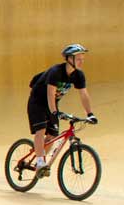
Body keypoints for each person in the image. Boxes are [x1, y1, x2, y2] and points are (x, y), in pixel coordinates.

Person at [24, 44, 98, 176]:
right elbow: (50, 93)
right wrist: (54, 112)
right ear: (69, 59)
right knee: (40, 130)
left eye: (83, 58)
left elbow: (84, 94)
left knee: (52, 135)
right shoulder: (56, 72)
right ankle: (41, 161)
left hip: (52, 105)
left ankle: (38, 161)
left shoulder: (78, 75)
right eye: (79, 58)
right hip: (38, 102)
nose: (82, 61)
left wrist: (90, 114)